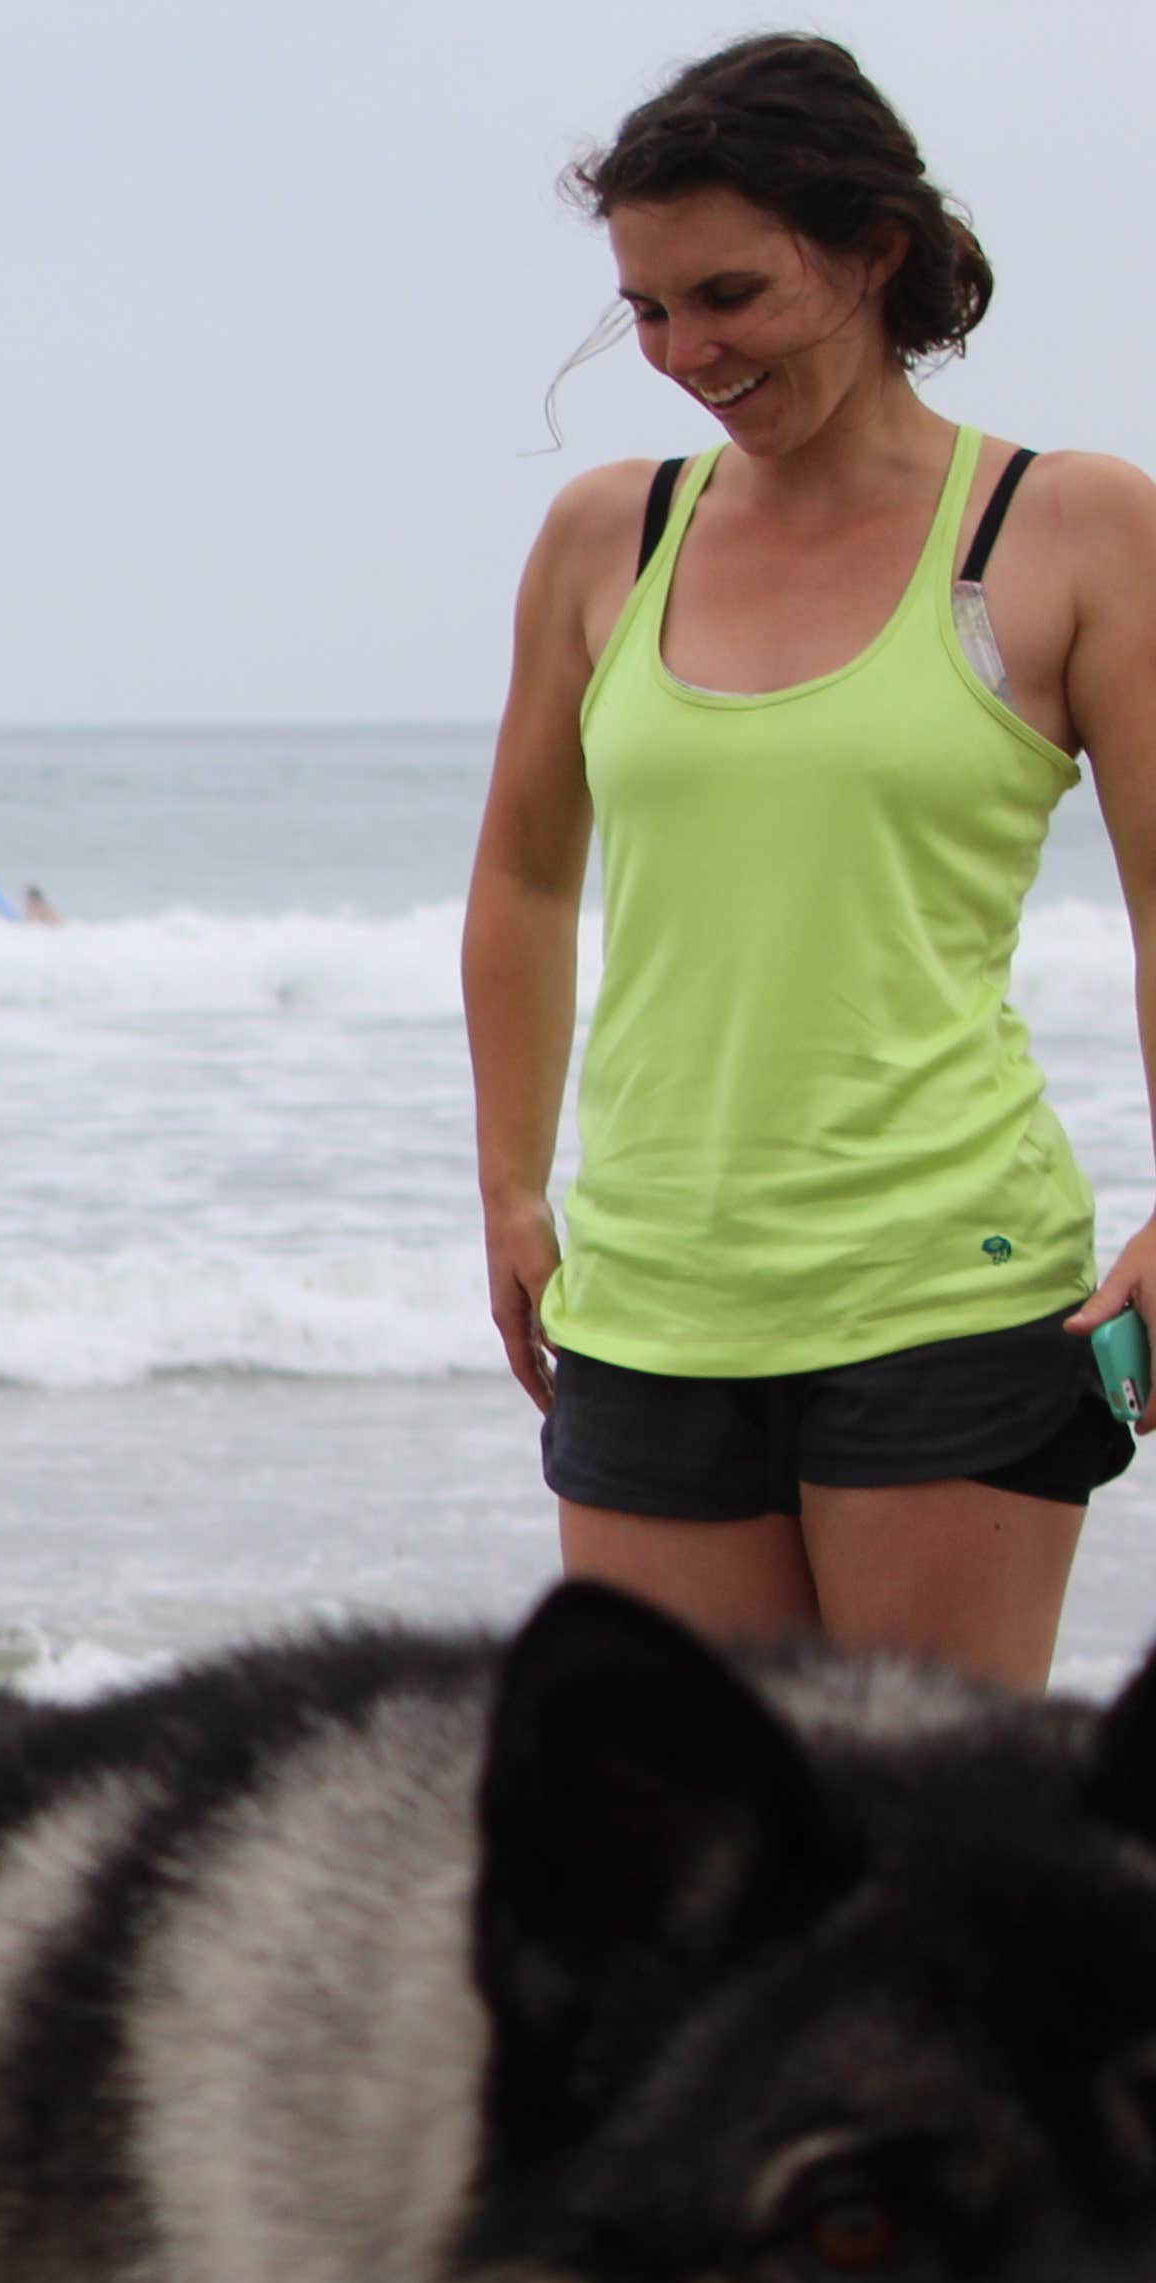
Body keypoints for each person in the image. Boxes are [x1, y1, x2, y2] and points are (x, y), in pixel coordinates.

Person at [464, 31, 1156, 1689]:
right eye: (646, 310)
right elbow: (526, 881)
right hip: (649, 1297)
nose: (684, 351)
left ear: (873, 254)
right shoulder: (606, 537)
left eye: (730, 295)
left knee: (915, 1824)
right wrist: (511, 1184)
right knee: (666, 1837)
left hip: (949, 1287)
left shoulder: (1068, 530)